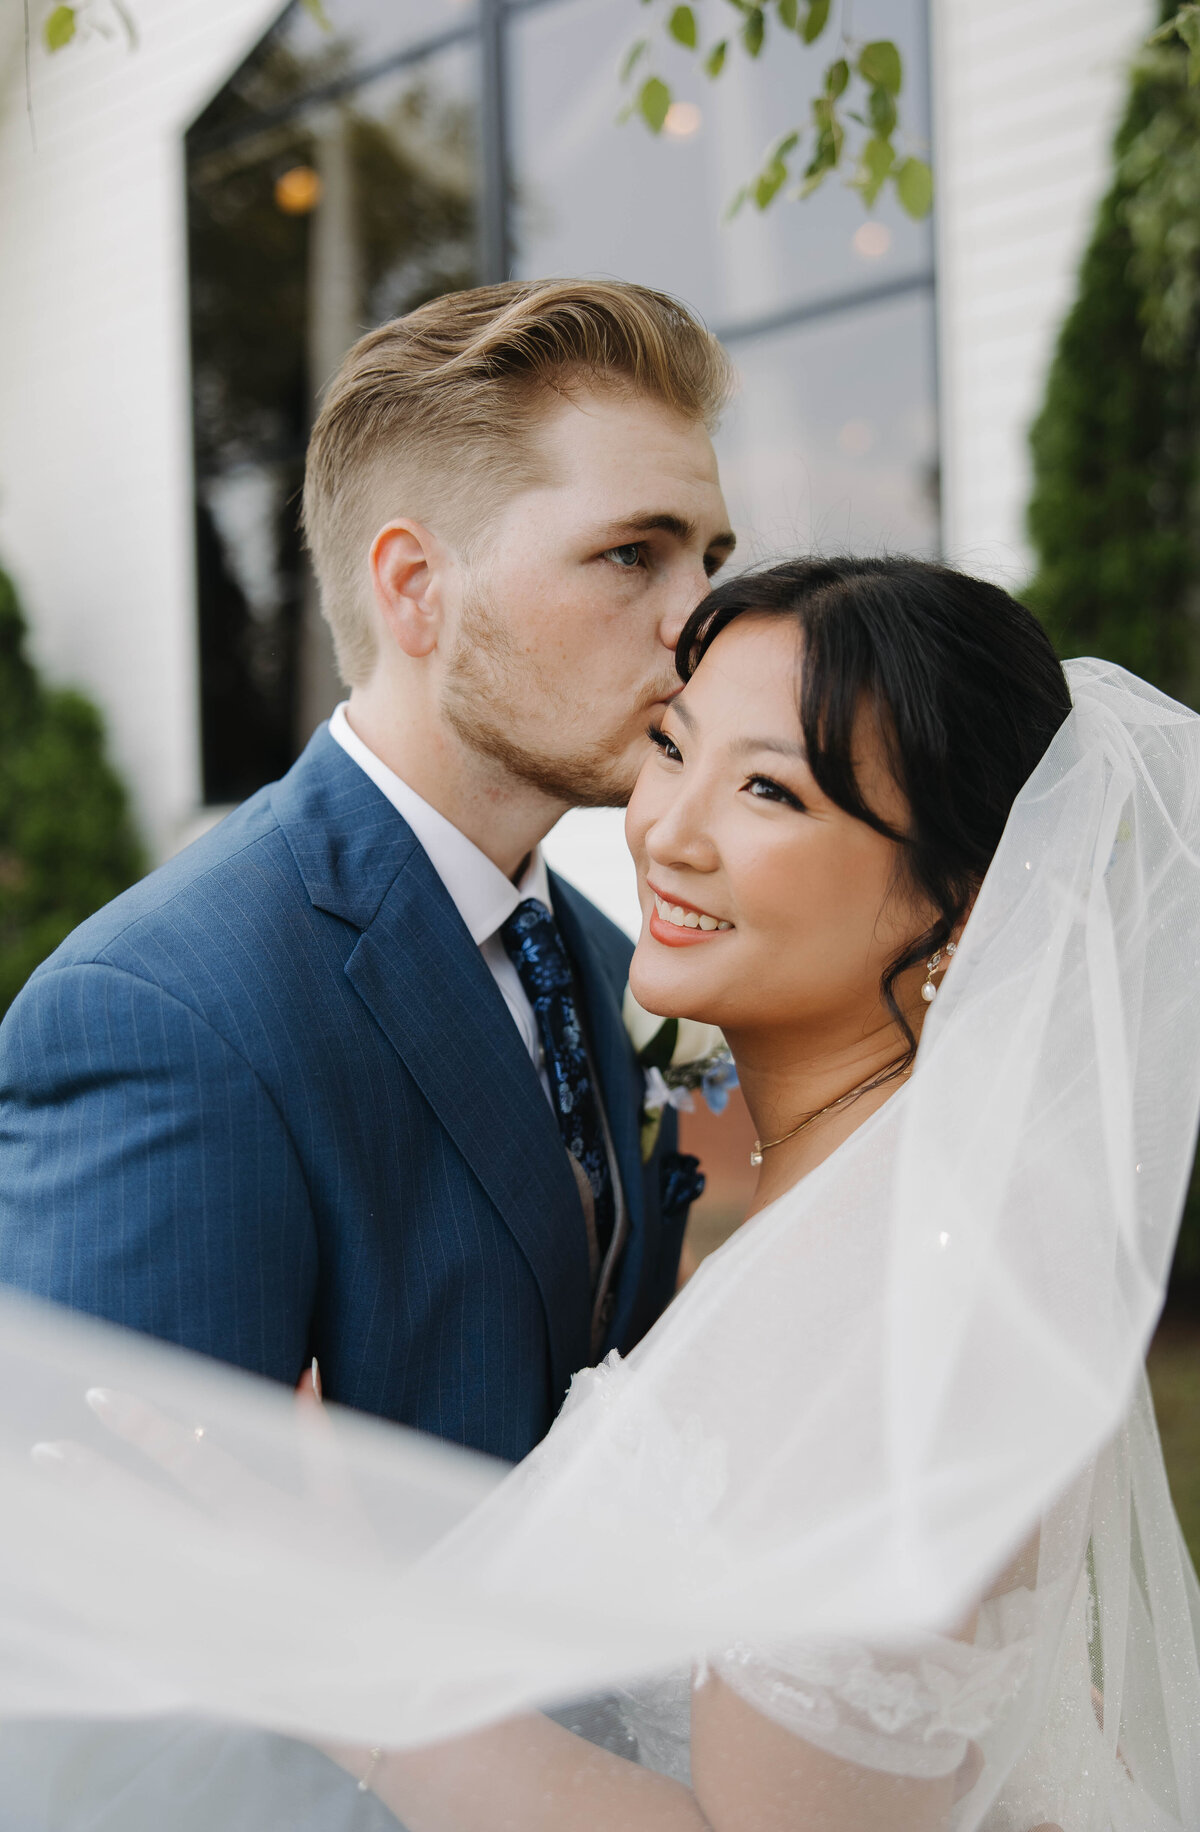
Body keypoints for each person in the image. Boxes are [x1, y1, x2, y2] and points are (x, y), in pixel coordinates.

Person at [3, 554, 1195, 1832]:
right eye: (675, 748)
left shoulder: (894, 1297)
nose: (666, 829)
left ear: (961, 899)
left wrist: (325, 1636)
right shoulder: (874, 1191)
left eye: (768, 790)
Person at [0, 280, 736, 1461]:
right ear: (414, 588)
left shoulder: (606, 954)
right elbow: (102, 1590)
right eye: (632, 553)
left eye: (709, 555)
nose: (700, 619)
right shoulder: (166, 1011)